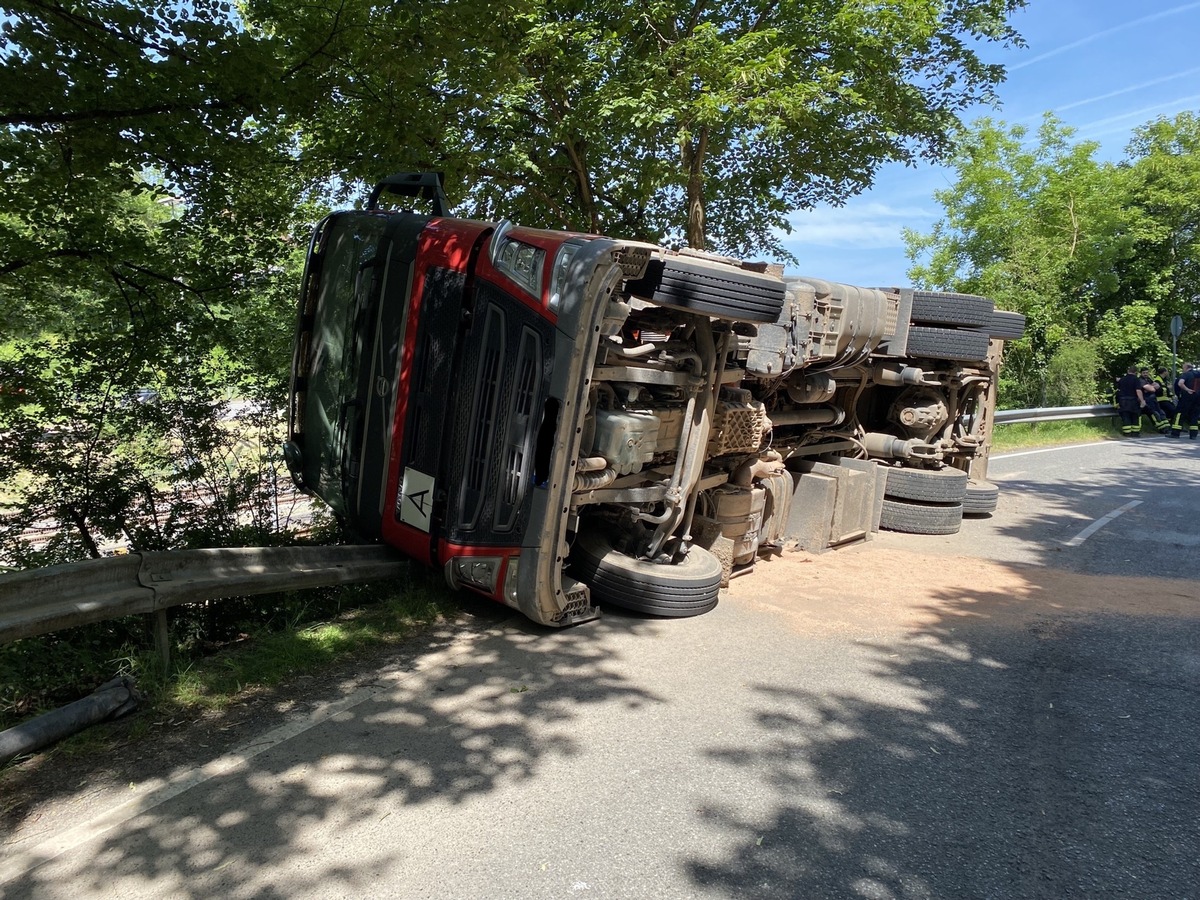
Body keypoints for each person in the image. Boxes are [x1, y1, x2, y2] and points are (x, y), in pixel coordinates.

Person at [1172, 362, 1200, 438]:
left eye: (1183, 368)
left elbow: (1180, 383)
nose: (1182, 369)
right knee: (1195, 415)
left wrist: (1187, 389)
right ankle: (1193, 435)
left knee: (1179, 414)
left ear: (1187, 368)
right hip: (1197, 398)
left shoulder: (1186, 374)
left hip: (1187, 397)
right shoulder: (1198, 374)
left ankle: (1175, 433)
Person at [1138, 367, 1170, 434]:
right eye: (1144, 373)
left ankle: (1167, 428)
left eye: (1147, 372)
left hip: (1154, 399)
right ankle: (1162, 429)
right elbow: (1152, 389)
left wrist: (1151, 386)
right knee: (1155, 414)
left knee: (1161, 412)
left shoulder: (1149, 379)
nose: (1145, 374)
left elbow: (1158, 386)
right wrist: (1152, 387)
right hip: (1147, 400)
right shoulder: (1140, 380)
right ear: (1140, 373)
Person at [1115, 365, 1144, 437]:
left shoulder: (1122, 379)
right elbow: (1138, 391)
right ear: (1136, 372)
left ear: (1128, 371)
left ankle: (1127, 433)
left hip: (1123, 400)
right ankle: (1135, 433)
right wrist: (1142, 400)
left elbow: (1118, 391)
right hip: (1133, 400)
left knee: (1126, 416)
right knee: (1135, 416)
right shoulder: (1136, 379)